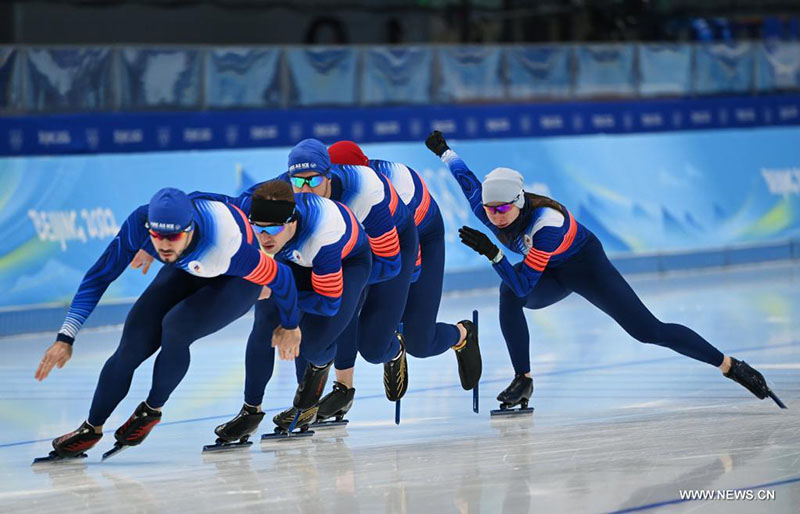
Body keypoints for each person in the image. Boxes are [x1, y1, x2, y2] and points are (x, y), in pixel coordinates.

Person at [425, 130, 784, 410]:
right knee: (506, 293)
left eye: (502, 209)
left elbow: (524, 285)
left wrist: (494, 254)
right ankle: (523, 378)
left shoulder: (546, 226)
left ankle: (729, 365)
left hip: (584, 266)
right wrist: (444, 151)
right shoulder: (486, 206)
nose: (495, 216)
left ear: (519, 202)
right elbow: (466, 179)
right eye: (490, 210)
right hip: (549, 271)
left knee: (647, 330)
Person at [35, 188, 300, 459]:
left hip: (234, 281)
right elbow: (98, 277)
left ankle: (151, 410)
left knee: (176, 327)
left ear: (189, 229)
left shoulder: (227, 246)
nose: (163, 245)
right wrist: (65, 337)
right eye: (156, 236)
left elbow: (283, 278)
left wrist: (291, 326)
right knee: (132, 344)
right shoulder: (141, 223)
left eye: (172, 237)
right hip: (188, 267)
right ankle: (91, 427)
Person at [315, 140, 481, 423]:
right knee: (347, 297)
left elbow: (407, 262)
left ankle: (463, 334)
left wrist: (394, 310)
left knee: (419, 342)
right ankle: (344, 387)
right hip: (376, 243)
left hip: (420, 239)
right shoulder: (335, 189)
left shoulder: (386, 190)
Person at [209, 180, 372, 439]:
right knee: (264, 321)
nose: (265, 237)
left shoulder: (322, 235)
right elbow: (202, 200)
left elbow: (327, 304)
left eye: (273, 228)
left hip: (346, 262)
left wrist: (284, 303)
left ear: (292, 221)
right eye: (258, 229)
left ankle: (316, 389)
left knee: (314, 343)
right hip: (294, 258)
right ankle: (250, 411)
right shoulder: (251, 209)